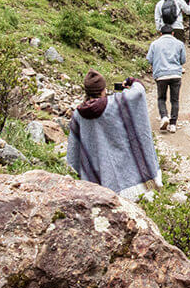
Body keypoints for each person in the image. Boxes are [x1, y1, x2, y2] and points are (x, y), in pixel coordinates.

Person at [66, 70, 162, 199]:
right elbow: (138, 92)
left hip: (100, 170)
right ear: (103, 89)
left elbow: (74, 150)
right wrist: (132, 81)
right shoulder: (116, 102)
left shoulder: (78, 114)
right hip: (126, 169)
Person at [145, 26, 187, 133]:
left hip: (161, 75)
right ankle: (173, 124)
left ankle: (164, 117)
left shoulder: (154, 44)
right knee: (175, 100)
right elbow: (183, 60)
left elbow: (149, 59)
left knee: (161, 98)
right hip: (176, 75)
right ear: (173, 33)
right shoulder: (179, 44)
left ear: (160, 34)